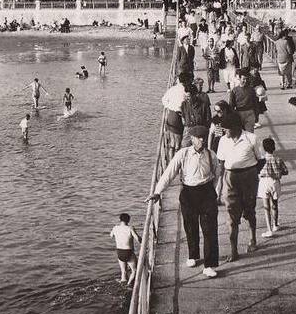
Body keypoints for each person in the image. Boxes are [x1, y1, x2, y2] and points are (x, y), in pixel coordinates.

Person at [149, 126, 220, 278]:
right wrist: (157, 192)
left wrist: (212, 191)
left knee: (210, 229)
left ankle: (209, 264)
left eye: (203, 137)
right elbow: (169, 173)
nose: (202, 140)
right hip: (188, 193)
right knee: (190, 225)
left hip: (206, 192)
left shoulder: (211, 155)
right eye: (198, 138)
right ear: (192, 138)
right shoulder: (183, 154)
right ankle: (193, 255)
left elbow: (217, 174)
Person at [216, 114, 264, 262]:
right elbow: (221, 162)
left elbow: (260, 160)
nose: (224, 132)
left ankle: (252, 240)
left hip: (248, 177)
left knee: (249, 210)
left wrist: (251, 175)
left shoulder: (251, 138)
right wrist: (219, 184)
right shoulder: (223, 140)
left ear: (235, 128)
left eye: (226, 129)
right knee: (231, 215)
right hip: (230, 178)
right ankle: (233, 250)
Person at [258, 137, 288, 238]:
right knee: (274, 204)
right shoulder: (278, 159)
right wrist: (278, 172)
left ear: (263, 148)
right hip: (275, 182)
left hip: (264, 182)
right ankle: (275, 224)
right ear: (274, 147)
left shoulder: (261, 160)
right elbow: (285, 171)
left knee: (266, 207)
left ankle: (269, 229)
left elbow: (257, 171)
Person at [161, 72, 191, 151]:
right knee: (178, 143)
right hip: (179, 116)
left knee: (172, 143)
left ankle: (171, 160)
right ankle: (177, 160)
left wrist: (170, 106)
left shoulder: (172, 89)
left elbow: (164, 100)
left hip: (171, 115)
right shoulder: (186, 91)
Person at [110, 213, 142, 283]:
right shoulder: (130, 228)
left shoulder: (115, 228)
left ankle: (123, 282)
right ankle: (129, 284)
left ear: (120, 220)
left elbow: (111, 235)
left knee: (123, 271)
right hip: (128, 252)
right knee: (134, 270)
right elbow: (138, 239)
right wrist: (143, 243)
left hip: (119, 252)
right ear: (128, 220)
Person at [181, 83, 212, 147]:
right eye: (186, 96)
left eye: (189, 96)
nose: (187, 98)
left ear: (195, 95)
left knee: (200, 149)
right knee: (184, 147)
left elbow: (208, 120)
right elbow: (183, 116)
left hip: (200, 130)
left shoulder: (203, 105)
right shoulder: (184, 104)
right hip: (188, 130)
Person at [228, 68, 259, 133]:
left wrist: (256, 116)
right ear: (239, 78)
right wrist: (232, 117)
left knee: (249, 133)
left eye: (246, 79)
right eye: (243, 79)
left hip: (250, 113)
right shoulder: (234, 90)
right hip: (239, 113)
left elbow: (255, 104)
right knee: (239, 134)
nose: (245, 81)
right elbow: (231, 105)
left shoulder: (251, 90)